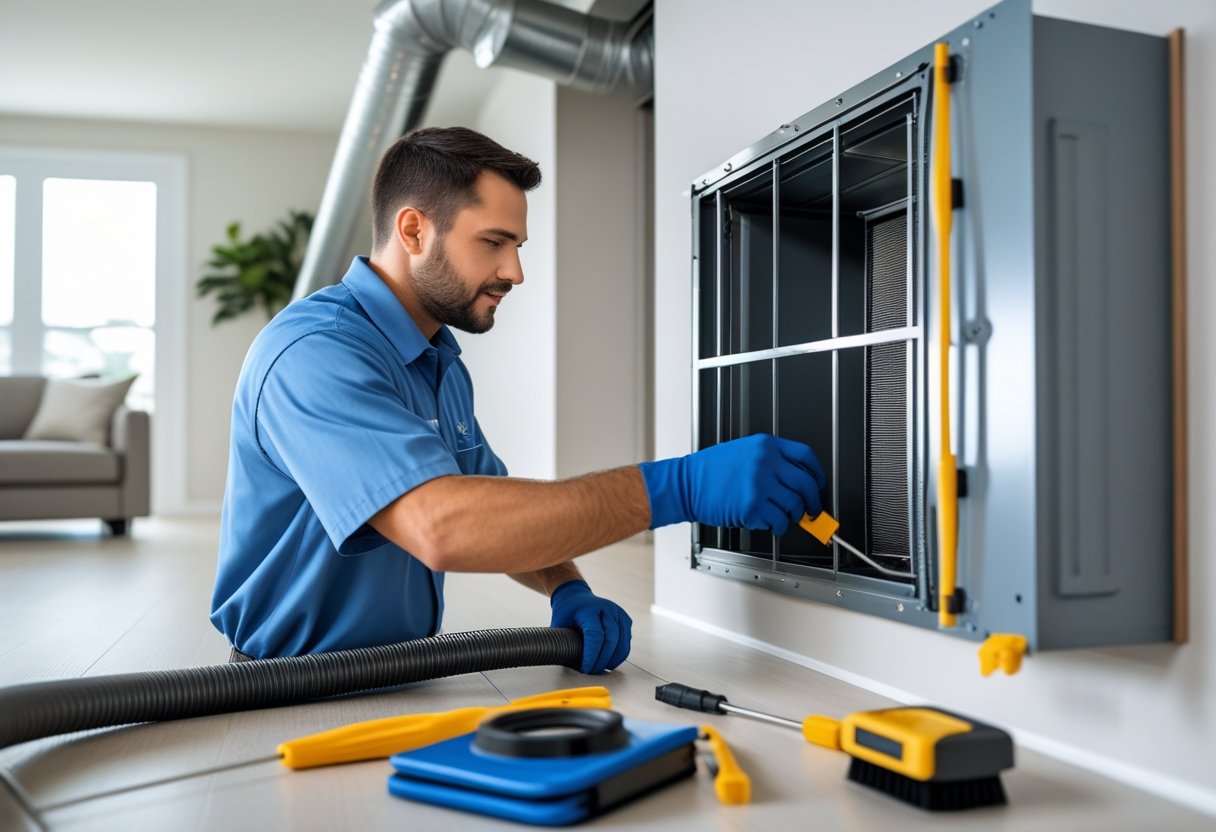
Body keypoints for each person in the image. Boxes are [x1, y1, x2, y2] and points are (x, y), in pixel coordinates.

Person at [210, 126, 826, 674]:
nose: (515, 271)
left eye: (518, 247)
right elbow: (442, 524)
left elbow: (490, 503)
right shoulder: (314, 354)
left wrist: (566, 587)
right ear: (414, 230)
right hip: (285, 686)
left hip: (396, 676)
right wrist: (678, 488)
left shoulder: (437, 361)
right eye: (494, 242)